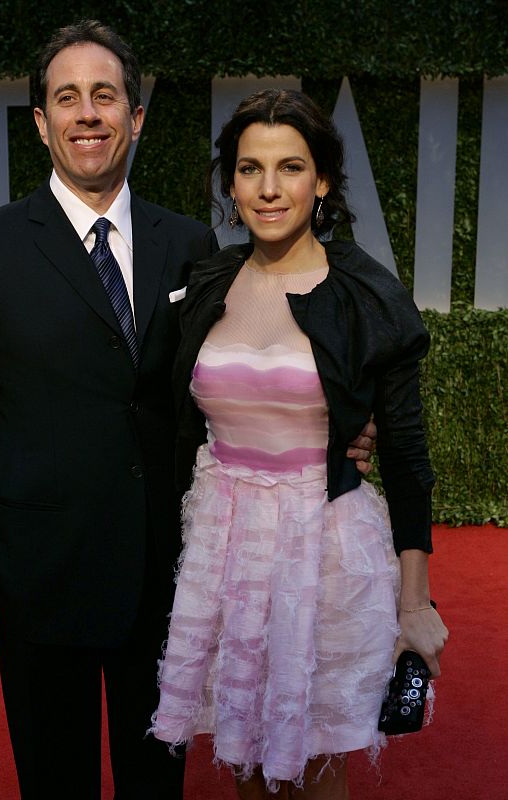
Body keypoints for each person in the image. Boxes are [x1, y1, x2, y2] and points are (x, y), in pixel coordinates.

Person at [0, 23, 375, 799]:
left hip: (163, 567)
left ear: (137, 116)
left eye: (107, 96)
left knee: (153, 781)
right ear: (41, 122)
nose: (88, 113)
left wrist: (339, 431)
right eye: (68, 98)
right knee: (53, 776)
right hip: (41, 566)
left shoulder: (190, 242)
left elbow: (236, 371)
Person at [150, 89, 449, 799]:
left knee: (316, 768)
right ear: (231, 183)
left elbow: (407, 457)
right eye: (250, 169)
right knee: (243, 760)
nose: (269, 188)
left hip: (325, 551)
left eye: (290, 168)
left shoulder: (366, 295)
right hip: (223, 551)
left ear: (321, 181)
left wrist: (415, 602)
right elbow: (175, 416)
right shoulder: (208, 280)